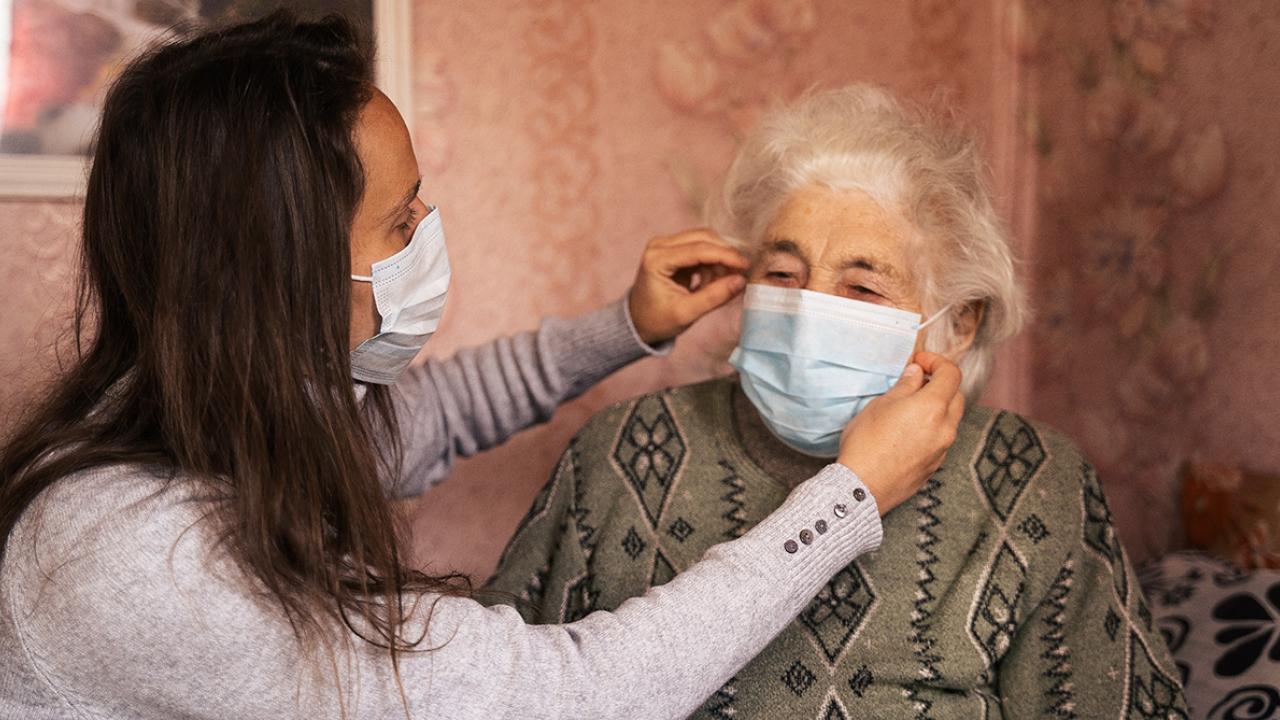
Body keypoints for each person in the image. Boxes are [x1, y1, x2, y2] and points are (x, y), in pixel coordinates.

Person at [0, 14, 967, 720]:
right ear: (283, 274)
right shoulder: (134, 561)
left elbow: (439, 414)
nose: (428, 231)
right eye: (399, 218)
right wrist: (850, 497)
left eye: (862, 286)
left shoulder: (254, 414)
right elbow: (579, 693)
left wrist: (625, 326)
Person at [485, 85, 1189, 718]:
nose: (806, 312)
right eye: (784, 274)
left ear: (959, 322)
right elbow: (490, 689)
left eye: (861, 288)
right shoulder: (620, 450)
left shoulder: (1030, 476)